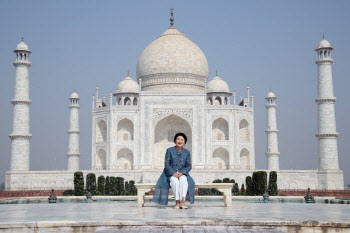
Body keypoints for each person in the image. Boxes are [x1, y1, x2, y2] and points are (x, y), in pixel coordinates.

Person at [152, 133, 195, 209]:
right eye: (178, 139)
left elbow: (189, 165)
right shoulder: (170, 150)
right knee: (174, 181)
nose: (180, 141)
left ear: (184, 141)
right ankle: (177, 202)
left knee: (184, 181)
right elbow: (167, 163)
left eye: (182, 140)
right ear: (175, 140)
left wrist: (182, 173)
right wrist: (173, 173)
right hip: (170, 174)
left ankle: (182, 201)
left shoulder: (187, 152)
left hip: (182, 173)